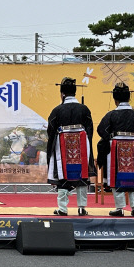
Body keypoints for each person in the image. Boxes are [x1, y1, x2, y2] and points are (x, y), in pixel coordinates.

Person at [47, 77, 96, 216]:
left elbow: (51, 129)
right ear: (74, 92)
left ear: (62, 93)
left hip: (62, 144)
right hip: (81, 143)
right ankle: (81, 207)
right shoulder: (84, 109)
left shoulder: (57, 110)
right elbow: (90, 129)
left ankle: (62, 208)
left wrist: (52, 145)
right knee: (81, 176)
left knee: (63, 177)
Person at [97, 82, 134, 217]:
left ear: (115, 99)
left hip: (115, 147)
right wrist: (133, 141)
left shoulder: (111, 115)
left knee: (115, 177)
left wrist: (111, 139)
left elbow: (101, 130)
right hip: (133, 148)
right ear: (129, 98)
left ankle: (120, 208)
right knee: (133, 178)